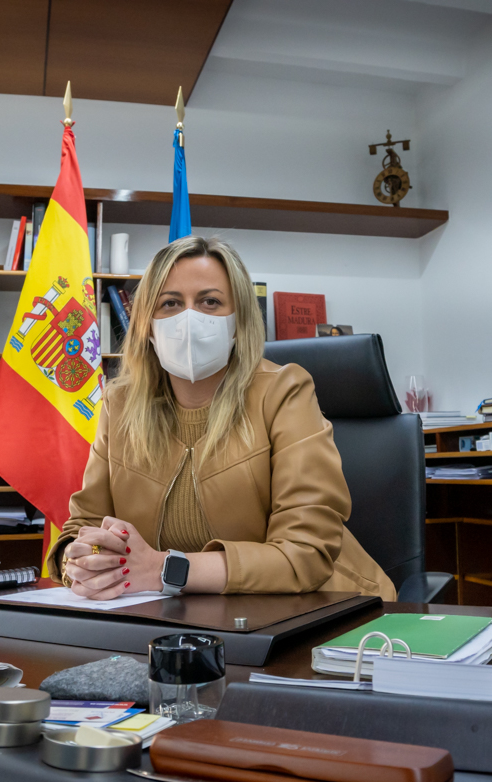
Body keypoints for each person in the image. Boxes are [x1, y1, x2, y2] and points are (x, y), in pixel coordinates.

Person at [46, 235, 396, 602]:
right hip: (186, 616)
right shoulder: (120, 405)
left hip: (325, 610)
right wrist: (79, 561)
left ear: (238, 319)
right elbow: (84, 524)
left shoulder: (284, 392)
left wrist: (163, 569)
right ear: (147, 324)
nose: (189, 318)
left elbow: (305, 554)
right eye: (170, 303)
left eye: (210, 302)